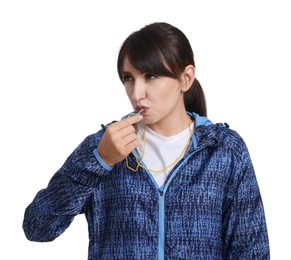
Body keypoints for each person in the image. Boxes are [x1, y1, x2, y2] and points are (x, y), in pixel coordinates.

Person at [23, 22, 270, 259]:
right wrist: (99, 162)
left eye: (150, 76)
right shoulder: (104, 145)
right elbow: (37, 226)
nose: (136, 93)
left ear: (186, 78)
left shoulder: (224, 150)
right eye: (128, 78)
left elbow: (251, 251)